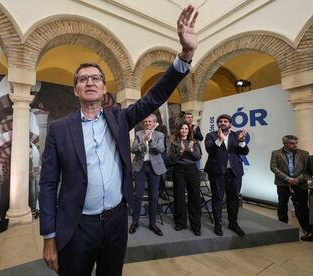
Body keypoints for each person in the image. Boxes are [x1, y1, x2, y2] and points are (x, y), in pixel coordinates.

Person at [39, 5, 198, 276]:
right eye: (83, 79)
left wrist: (185, 54)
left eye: (96, 78)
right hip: (78, 226)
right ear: (76, 89)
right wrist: (49, 237)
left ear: (103, 88)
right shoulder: (59, 129)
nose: (90, 82)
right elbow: (48, 184)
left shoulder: (119, 119)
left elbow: (154, 96)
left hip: (115, 222)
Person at [204, 114, 249, 236]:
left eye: (225, 121)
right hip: (217, 172)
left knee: (234, 198)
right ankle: (218, 224)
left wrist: (241, 141)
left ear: (230, 124)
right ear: (218, 124)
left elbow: (244, 151)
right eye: (220, 121)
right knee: (218, 198)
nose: (223, 123)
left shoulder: (236, 135)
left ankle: (233, 223)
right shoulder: (211, 135)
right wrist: (219, 139)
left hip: (234, 172)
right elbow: (209, 150)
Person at [129, 114, 166, 236]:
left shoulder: (160, 135)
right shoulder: (139, 134)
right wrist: (142, 142)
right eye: (146, 122)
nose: (148, 124)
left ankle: (152, 223)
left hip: (155, 167)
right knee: (138, 195)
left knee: (154, 197)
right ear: (143, 123)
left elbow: (161, 149)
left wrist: (150, 141)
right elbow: (133, 149)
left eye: (150, 122)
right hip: (141, 166)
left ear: (154, 122)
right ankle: (135, 222)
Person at [270, 135, 310, 239]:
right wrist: (287, 178)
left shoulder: (304, 153)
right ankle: (283, 227)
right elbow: (273, 167)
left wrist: (298, 179)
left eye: (296, 143)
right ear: (285, 144)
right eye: (292, 143)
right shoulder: (276, 153)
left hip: (300, 183)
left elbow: (307, 170)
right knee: (282, 204)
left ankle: (306, 229)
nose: (295, 145)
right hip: (283, 183)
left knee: (302, 206)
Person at [168, 123, 202, 235]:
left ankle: (196, 226)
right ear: (179, 130)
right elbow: (171, 159)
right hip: (178, 170)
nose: (184, 130)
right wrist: (181, 151)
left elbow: (198, 157)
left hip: (192, 170)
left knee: (195, 197)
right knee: (179, 197)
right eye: (182, 128)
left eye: (186, 128)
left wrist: (191, 149)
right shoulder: (174, 142)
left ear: (189, 130)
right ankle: (180, 223)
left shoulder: (194, 142)